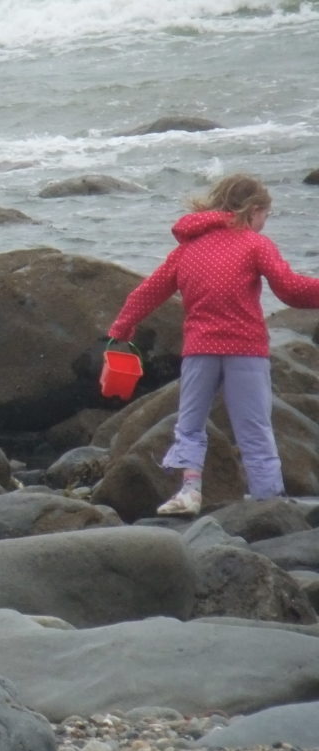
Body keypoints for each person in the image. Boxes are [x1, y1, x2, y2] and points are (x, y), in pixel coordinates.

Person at [108, 173, 319, 516]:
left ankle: (190, 490)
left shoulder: (187, 248)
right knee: (254, 429)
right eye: (266, 215)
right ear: (253, 211)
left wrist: (121, 329)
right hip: (245, 349)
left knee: (190, 424)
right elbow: (290, 289)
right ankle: (270, 501)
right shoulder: (254, 244)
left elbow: (147, 292)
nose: (264, 223)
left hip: (200, 350)